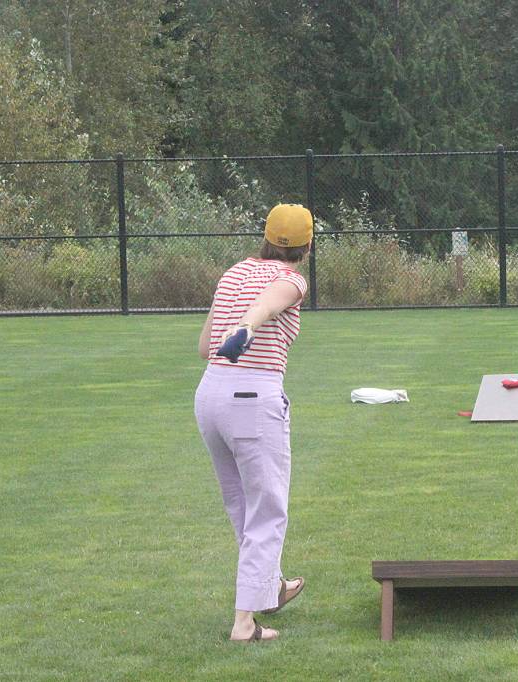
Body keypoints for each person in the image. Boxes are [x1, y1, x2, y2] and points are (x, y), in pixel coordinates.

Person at [194, 203, 313, 642]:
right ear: (307, 244)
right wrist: (246, 327)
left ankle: (271, 587)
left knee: (243, 506)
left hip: (210, 395)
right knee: (267, 510)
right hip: (251, 397)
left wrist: (235, 327)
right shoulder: (293, 279)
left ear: (265, 235)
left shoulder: (233, 272)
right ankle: (244, 624)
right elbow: (274, 297)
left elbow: (206, 346)